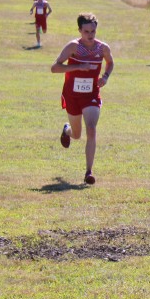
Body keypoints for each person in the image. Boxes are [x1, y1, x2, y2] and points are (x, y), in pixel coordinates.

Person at [51, 13, 114, 185]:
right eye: (86, 31)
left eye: (93, 31)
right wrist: (78, 66)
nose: (90, 35)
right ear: (79, 30)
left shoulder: (102, 48)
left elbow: (110, 62)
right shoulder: (73, 47)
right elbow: (55, 68)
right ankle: (67, 130)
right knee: (77, 134)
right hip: (72, 95)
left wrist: (105, 77)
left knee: (91, 129)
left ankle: (88, 172)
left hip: (91, 95)